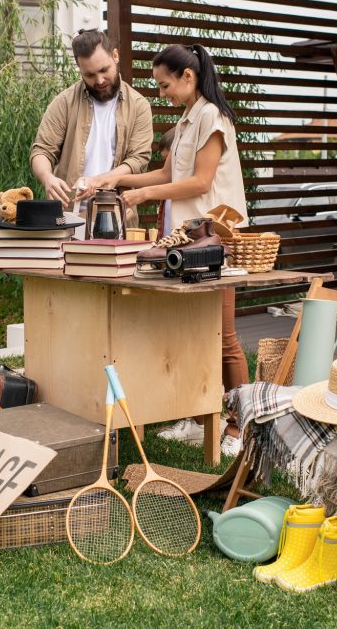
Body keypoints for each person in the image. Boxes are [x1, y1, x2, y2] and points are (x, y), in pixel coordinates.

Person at [80, 43, 249, 457]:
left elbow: (201, 183)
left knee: (223, 336)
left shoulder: (212, 116)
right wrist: (112, 181)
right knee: (190, 332)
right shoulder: (187, 119)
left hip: (216, 239)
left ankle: (240, 426)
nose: (162, 94)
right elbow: (168, 172)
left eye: (164, 84)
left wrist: (148, 195)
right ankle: (194, 418)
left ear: (187, 77)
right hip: (189, 241)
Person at [30, 28, 153, 209]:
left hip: (117, 213)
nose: (100, 80)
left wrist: (99, 180)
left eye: (104, 70)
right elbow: (41, 151)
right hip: (68, 215)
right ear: (80, 69)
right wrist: (47, 178)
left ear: (115, 56)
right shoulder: (64, 102)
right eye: (89, 75)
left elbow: (138, 159)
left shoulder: (139, 105)